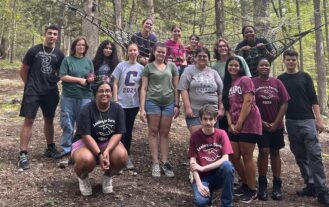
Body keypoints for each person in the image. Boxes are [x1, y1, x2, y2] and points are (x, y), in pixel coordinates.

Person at [277, 50, 329, 205]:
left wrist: (318, 120)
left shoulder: (305, 77)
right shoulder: (280, 79)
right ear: (284, 61)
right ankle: (310, 184)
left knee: (314, 154)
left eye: (293, 59)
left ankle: (322, 191)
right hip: (291, 122)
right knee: (299, 155)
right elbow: (279, 103)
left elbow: (314, 99)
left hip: (307, 120)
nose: (291, 62)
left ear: (297, 61)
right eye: (288, 59)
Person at [18, 24, 65, 170]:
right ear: (45, 34)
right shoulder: (34, 50)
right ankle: (23, 154)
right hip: (33, 91)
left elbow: (61, 72)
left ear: (57, 37)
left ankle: (50, 148)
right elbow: (23, 70)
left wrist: (54, 81)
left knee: (49, 119)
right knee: (29, 120)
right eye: (50, 33)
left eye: (55, 34)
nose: (52, 36)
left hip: (50, 91)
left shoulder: (59, 54)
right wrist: (30, 85)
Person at [71, 82, 127, 196]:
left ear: (111, 93)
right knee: (86, 160)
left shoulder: (117, 108)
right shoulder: (86, 109)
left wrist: (106, 151)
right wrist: (99, 155)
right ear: (95, 94)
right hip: (85, 142)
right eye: (101, 91)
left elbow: (118, 133)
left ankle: (108, 176)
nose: (104, 94)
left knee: (122, 157)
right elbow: (86, 135)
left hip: (107, 142)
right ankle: (83, 178)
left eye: (107, 91)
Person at [222, 56, 262, 203]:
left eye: (236, 65)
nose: (233, 67)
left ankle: (252, 190)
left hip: (249, 122)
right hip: (234, 124)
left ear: (240, 67)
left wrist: (239, 123)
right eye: (230, 65)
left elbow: (248, 101)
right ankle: (246, 184)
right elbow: (227, 108)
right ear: (227, 67)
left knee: (247, 155)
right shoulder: (228, 84)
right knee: (233, 155)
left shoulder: (245, 79)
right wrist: (230, 124)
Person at [140, 42, 180, 177]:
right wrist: (142, 108)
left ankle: (164, 161)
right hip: (152, 102)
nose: (161, 54)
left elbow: (176, 87)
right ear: (154, 52)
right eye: (159, 52)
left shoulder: (172, 66)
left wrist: (177, 104)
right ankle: (155, 162)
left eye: (163, 52)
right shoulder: (148, 67)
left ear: (166, 54)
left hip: (168, 102)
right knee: (153, 131)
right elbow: (144, 88)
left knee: (164, 133)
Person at [252, 58, 289, 201]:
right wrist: (261, 121)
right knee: (263, 151)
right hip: (260, 125)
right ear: (258, 67)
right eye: (262, 65)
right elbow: (250, 103)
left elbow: (284, 102)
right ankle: (262, 184)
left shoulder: (277, 82)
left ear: (269, 67)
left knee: (275, 152)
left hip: (277, 125)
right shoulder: (253, 82)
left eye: (267, 65)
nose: (265, 67)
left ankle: (277, 184)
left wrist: (276, 122)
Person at [57, 37, 95, 164]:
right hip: (69, 96)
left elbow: (91, 75)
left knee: (83, 125)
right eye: (79, 45)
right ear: (74, 46)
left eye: (83, 45)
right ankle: (66, 152)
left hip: (85, 97)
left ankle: (80, 151)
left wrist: (90, 79)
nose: (81, 47)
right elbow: (62, 76)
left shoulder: (88, 61)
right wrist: (79, 80)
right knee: (67, 124)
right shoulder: (67, 60)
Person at [189, 104, 234, 207]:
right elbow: (192, 162)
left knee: (228, 166)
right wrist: (199, 185)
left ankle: (227, 204)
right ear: (200, 120)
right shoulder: (194, 137)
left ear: (215, 120)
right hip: (203, 178)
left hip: (218, 175)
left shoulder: (222, 134)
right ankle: (207, 194)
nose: (208, 122)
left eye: (211, 119)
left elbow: (225, 159)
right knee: (200, 202)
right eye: (205, 119)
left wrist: (204, 168)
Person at [178, 47, 223, 135]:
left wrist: (221, 108)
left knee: (211, 141)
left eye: (204, 56)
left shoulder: (213, 72)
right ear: (195, 58)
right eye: (199, 56)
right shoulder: (188, 71)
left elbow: (220, 92)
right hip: (195, 112)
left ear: (208, 58)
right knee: (198, 138)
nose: (202, 58)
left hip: (212, 113)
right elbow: (183, 89)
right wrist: (187, 107)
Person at [112, 43, 143, 170]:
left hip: (133, 103)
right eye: (130, 50)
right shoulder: (121, 65)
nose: (133, 52)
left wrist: (141, 105)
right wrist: (115, 98)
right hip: (121, 102)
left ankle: (127, 154)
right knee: (120, 129)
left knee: (128, 130)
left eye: (135, 50)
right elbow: (115, 83)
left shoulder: (141, 68)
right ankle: (117, 155)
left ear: (138, 52)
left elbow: (142, 87)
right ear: (127, 52)